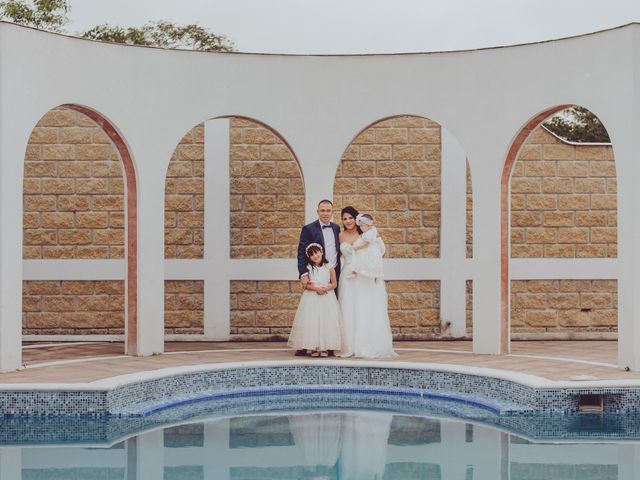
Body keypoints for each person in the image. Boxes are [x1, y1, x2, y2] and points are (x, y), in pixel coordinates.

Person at [338, 206, 396, 358]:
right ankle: (350, 345)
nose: (348, 221)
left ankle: (366, 344)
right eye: (345, 218)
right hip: (347, 276)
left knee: (365, 308)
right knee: (349, 309)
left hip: (364, 276)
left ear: (356, 219)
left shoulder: (366, 233)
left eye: (350, 217)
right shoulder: (340, 235)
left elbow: (378, 251)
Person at [295, 199, 341, 356]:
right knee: (311, 313)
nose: (326, 213)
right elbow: (302, 252)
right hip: (315, 273)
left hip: (333, 272)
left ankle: (327, 344)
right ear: (318, 211)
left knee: (330, 312)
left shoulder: (336, 228)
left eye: (328, 210)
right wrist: (303, 273)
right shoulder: (308, 229)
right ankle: (307, 344)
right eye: (323, 210)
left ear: (332, 212)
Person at [287, 243, 342, 357]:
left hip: (327, 296)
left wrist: (325, 288)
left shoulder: (329, 267)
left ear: (321, 252)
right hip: (312, 297)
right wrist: (316, 288)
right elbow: (305, 286)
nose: (315, 256)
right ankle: (313, 347)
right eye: (312, 255)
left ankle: (324, 347)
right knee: (312, 321)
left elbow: (334, 283)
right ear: (309, 258)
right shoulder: (308, 268)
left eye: (316, 253)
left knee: (326, 321)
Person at [347, 213, 384, 280]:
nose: (360, 228)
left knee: (359, 259)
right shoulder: (370, 231)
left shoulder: (369, 234)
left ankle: (355, 272)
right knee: (359, 260)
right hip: (367, 249)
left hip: (367, 250)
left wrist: (357, 248)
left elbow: (366, 244)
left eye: (362, 226)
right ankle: (355, 272)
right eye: (360, 226)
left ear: (369, 225)